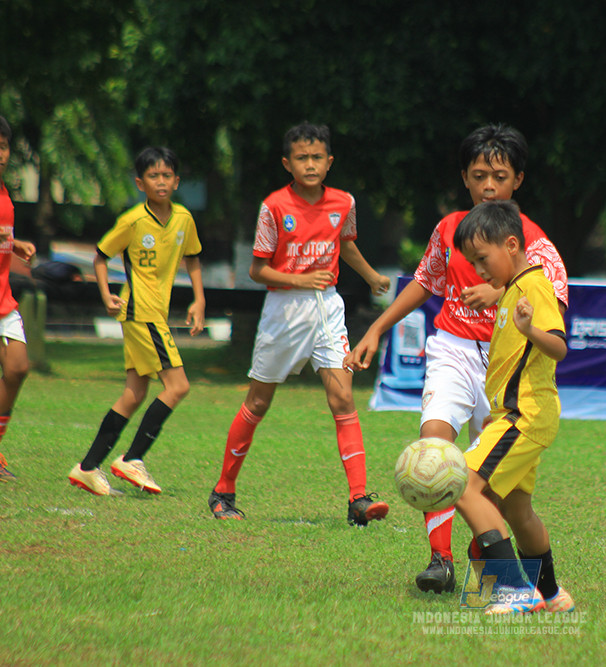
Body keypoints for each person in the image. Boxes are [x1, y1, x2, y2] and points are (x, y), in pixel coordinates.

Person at [344, 124, 567, 592]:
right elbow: (426, 281)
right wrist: (377, 329)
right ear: (464, 178)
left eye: (500, 176)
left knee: (499, 492)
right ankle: (439, 559)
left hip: (509, 371)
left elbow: (550, 307)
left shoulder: (536, 246)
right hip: (453, 347)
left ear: (518, 181)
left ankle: (503, 574)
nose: (489, 186)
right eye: (479, 175)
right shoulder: (451, 230)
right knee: (436, 447)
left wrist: (501, 289)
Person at [208, 122, 391, 526]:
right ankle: (223, 491)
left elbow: (344, 244)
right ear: (287, 163)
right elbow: (258, 270)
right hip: (284, 312)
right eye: (301, 158)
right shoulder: (274, 206)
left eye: (317, 157)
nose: (310, 164)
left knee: (343, 398)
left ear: (329, 162)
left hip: (327, 307)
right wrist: (299, 279)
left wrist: (372, 276)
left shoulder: (344, 202)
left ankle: (358, 499)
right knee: (258, 402)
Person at [452, 199, 574, 614]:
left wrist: (530, 328)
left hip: (526, 413)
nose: (479, 271)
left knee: (463, 486)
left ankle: (514, 589)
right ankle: (553, 595)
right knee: (518, 511)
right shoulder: (511, 291)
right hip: (517, 414)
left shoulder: (534, 287)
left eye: (483, 259)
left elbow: (558, 347)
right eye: (472, 263)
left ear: (511, 244)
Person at [68, 146, 205, 496]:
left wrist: (199, 299)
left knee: (134, 393)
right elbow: (100, 256)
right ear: (140, 182)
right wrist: (105, 293)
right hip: (139, 311)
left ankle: (86, 468)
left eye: (167, 175)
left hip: (155, 313)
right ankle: (132, 458)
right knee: (178, 387)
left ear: (177, 180)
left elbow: (193, 258)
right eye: (153, 176)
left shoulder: (184, 219)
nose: (161, 181)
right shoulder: (132, 221)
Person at [0, 116, 37, 481]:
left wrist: (15, 243)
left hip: (3, 297)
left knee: (17, 367)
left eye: (3, 146)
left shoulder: (3, 191)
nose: (0, 154)